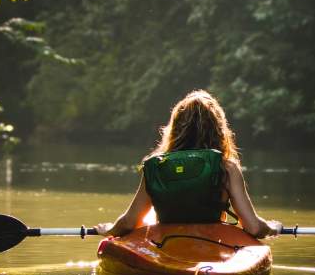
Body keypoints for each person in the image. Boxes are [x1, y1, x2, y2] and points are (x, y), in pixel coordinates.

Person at [94, 90, 282, 238]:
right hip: (211, 246)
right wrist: (272, 227)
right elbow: (254, 227)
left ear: (175, 128)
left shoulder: (157, 167)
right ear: (218, 129)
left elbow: (129, 223)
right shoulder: (227, 168)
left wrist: (110, 230)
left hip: (165, 246)